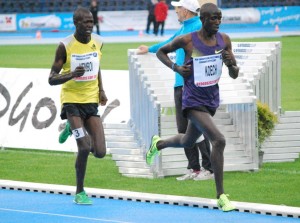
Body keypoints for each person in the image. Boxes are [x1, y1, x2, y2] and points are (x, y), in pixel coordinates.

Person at [145, 3, 239, 212]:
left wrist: (233, 64)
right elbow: (161, 52)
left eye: (219, 18)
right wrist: (176, 67)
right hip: (192, 100)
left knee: (188, 139)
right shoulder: (188, 40)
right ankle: (221, 196)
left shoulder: (224, 40)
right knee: (219, 140)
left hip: (211, 100)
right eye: (212, 18)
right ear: (202, 19)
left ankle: (158, 144)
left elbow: (234, 74)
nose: (217, 22)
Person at [137, 0, 214, 181]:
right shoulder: (185, 27)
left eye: (177, 8)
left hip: (192, 86)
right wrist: (149, 48)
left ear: (186, 10)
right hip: (180, 85)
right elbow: (169, 43)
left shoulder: (196, 27)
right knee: (183, 129)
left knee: (198, 128)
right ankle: (194, 168)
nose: (175, 11)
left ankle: (208, 169)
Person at [48, 7, 108, 205]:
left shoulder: (98, 42)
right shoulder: (65, 46)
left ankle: (71, 127)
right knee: (84, 147)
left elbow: (97, 67)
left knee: (99, 152)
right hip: (72, 101)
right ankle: (80, 192)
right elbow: (51, 78)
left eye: (91, 22)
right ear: (76, 23)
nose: (90, 25)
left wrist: (101, 90)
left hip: (90, 100)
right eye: (85, 22)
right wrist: (72, 74)